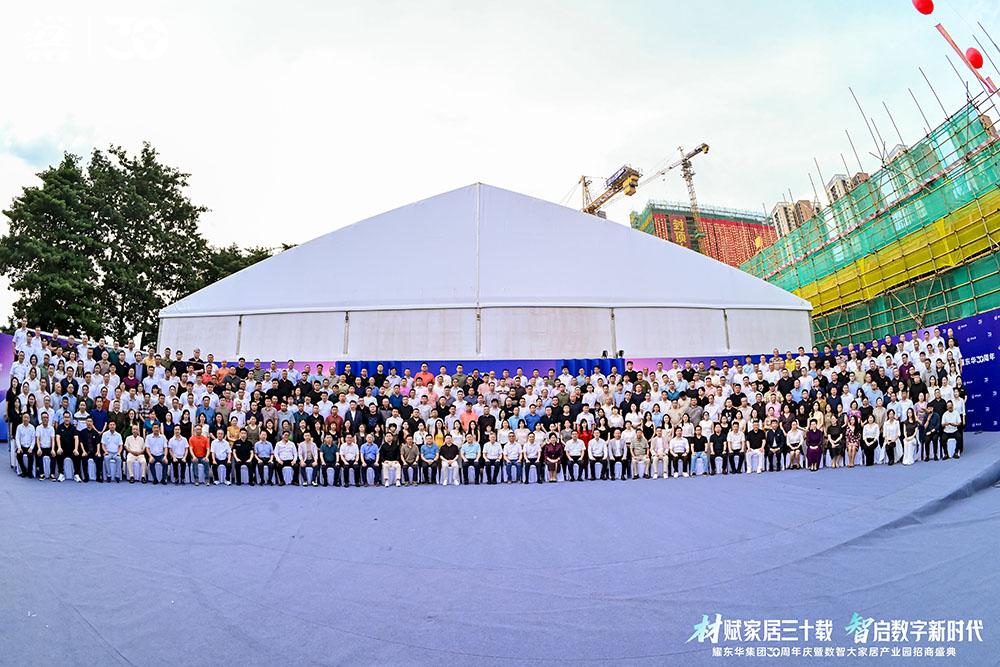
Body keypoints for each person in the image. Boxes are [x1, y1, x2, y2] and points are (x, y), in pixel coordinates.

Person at [55, 410, 80, 482]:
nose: (66, 419)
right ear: (63, 418)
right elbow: (57, 437)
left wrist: (76, 449)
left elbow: (76, 438)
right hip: (62, 448)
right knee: (59, 454)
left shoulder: (73, 428)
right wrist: (59, 447)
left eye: (68, 417)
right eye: (65, 417)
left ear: (70, 418)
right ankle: (61, 473)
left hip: (71, 449)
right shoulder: (60, 427)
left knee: (77, 455)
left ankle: (76, 474)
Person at [77, 416, 103, 482]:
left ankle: (98, 477)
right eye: (88, 421)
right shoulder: (82, 432)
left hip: (94, 451)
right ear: (86, 423)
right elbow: (81, 443)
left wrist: (98, 452)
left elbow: (98, 443)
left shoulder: (95, 433)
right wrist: (83, 451)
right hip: (86, 451)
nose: (89, 423)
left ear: (92, 423)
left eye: (90, 421)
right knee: (84, 458)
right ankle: (86, 477)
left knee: (98, 458)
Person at [33, 411, 56, 481]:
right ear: (41, 419)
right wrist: (39, 448)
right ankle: (41, 473)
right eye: (43, 418)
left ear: (48, 419)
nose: (45, 419)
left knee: (53, 455)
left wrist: (53, 449)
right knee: (39, 455)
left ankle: (52, 474)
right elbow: (37, 439)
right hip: (42, 447)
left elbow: (53, 439)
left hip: (49, 448)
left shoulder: (51, 428)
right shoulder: (38, 428)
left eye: (46, 417)